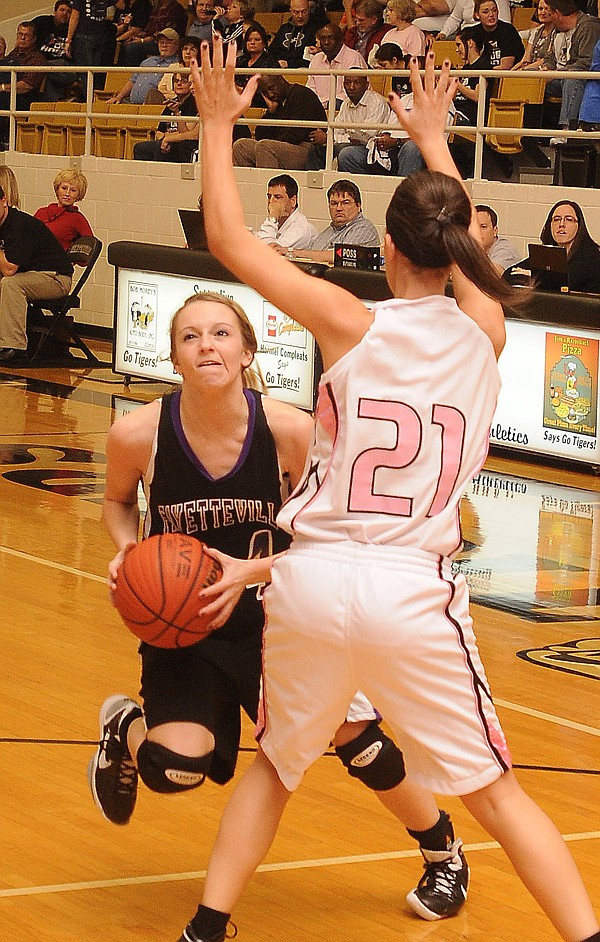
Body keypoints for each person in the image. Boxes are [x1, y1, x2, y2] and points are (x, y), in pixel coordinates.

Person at [179, 39, 600, 942]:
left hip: (312, 579)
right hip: (412, 587)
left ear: (386, 244)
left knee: (275, 769)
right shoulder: (485, 327)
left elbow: (227, 238)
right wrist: (438, 138)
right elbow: (470, 238)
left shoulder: (350, 319)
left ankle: (206, 929)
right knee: (496, 792)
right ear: (456, 243)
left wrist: (218, 125)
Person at [89, 288, 471, 925]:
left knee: (359, 741)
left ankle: (443, 852)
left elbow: (327, 535)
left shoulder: (291, 432)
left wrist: (250, 571)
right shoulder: (137, 433)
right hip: (183, 627)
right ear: (174, 358)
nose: (207, 345)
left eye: (220, 334)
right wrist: (129, 553)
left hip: (277, 618)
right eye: (191, 336)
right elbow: (117, 503)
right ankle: (124, 728)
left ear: (246, 351)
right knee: (176, 771)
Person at [0, 184, 73, 363]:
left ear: (4, 202)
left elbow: (9, 269)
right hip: (32, 275)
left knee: (10, 284)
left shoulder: (19, 225)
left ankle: (15, 347)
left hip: (55, 277)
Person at [232, 74, 327, 169]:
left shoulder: (301, 94)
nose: (270, 94)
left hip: (307, 149)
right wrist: (271, 112)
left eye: (271, 88)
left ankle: (268, 183)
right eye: (265, 92)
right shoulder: (276, 102)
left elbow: (295, 135)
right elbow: (260, 135)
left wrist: (273, 142)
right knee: (241, 146)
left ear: (281, 80)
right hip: (280, 145)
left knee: (265, 147)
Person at [306, 71, 392, 170]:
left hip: (373, 150)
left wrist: (330, 139)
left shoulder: (376, 102)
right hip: (350, 145)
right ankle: (316, 183)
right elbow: (338, 131)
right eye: (348, 83)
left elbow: (366, 138)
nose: (351, 87)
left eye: (356, 82)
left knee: (345, 153)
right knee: (316, 148)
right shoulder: (346, 104)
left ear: (366, 85)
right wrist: (330, 138)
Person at [542, 0, 600, 143]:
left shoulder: (588, 27)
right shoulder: (556, 30)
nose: (548, 17)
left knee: (572, 79)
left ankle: (567, 130)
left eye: (550, 13)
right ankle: (529, 135)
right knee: (531, 83)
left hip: (582, 79)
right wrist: (546, 69)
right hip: (559, 76)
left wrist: (557, 73)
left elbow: (586, 63)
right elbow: (549, 57)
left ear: (558, 14)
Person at [513, 201, 600, 293]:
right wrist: (535, 276)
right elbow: (509, 274)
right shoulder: (550, 252)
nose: (561, 224)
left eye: (569, 219)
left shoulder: (591, 255)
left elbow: (562, 284)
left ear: (579, 226)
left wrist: (532, 275)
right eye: (556, 219)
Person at [288, 179, 380, 264]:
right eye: (334, 203)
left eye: (345, 203)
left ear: (358, 205)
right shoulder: (326, 233)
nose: (339, 208)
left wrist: (293, 252)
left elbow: (341, 256)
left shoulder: (364, 228)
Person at [133, 71, 199, 161]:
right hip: (173, 139)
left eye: (183, 81)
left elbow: (189, 134)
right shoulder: (171, 102)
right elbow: (159, 131)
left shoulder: (194, 103)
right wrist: (176, 113)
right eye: (176, 81)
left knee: (162, 147)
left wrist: (168, 138)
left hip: (185, 142)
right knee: (140, 148)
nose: (179, 84)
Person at [0, 22, 47, 145]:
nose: (23, 38)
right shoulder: (13, 54)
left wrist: (3, 87)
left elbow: (26, 86)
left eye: (27, 35)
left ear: (34, 38)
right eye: (20, 34)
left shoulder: (36, 59)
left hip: (23, 99)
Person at [107, 29, 180, 104]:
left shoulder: (177, 65)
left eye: (169, 43)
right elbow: (132, 81)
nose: (164, 45)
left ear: (177, 45)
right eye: (161, 42)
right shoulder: (148, 61)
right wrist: (119, 97)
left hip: (155, 108)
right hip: (130, 103)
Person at [306, 23, 367, 107]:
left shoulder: (353, 58)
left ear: (341, 40)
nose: (326, 42)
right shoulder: (316, 59)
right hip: (319, 108)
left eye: (331, 38)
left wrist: (328, 104)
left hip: (346, 108)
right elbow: (310, 88)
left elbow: (354, 92)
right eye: (323, 39)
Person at [34, 169, 94, 251]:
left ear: (78, 195)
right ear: (57, 189)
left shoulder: (78, 218)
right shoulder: (41, 212)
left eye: (73, 190)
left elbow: (90, 248)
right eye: (64, 188)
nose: (67, 194)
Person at [255, 173, 317, 251]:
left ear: (293, 201)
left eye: (277, 197)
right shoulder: (279, 221)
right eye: (269, 196)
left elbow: (267, 252)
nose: (271, 201)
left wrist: (272, 217)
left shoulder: (302, 229)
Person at [32, 1, 78, 102]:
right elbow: (26, 33)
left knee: (41, 69)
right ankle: (57, 102)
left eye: (69, 11)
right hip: (44, 65)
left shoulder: (75, 28)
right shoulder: (42, 22)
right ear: (54, 11)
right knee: (43, 74)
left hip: (66, 68)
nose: (65, 14)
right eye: (62, 10)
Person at [118, 0, 187, 66]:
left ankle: (131, 73)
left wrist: (142, 40)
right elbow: (149, 28)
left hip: (164, 41)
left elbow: (167, 32)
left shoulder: (176, 8)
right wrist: (137, 37)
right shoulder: (156, 8)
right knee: (124, 44)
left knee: (132, 48)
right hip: (149, 38)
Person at [268, 0, 327, 69]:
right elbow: (272, 52)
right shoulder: (284, 28)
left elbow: (313, 58)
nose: (300, 16)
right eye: (296, 12)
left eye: (304, 12)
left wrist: (289, 63)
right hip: (280, 69)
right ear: (291, 11)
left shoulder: (318, 29)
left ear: (309, 9)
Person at [469, 0, 524, 69]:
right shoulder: (473, 33)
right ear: (477, 15)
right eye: (485, 12)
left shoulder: (508, 31)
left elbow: (506, 67)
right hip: (483, 75)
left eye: (494, 10)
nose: (491, 14)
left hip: (509, 77)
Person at [475, 204, 520, 273]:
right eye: (475, 227)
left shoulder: (505, 250)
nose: (478, 231)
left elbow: (490, 276)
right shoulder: (471, 248)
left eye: (483, 227)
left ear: (495, 231)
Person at [512, 0, 556, 70]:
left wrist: (524, 69)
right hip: (529, 69)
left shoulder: (557, 32)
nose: (543, 12)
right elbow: (525, 59)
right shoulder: (536, 31)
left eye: (547, 9)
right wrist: (511, 72)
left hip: (545, 71)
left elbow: (546, 60)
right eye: (540, 9)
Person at [436, 0, 510, 39]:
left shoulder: (500, 1)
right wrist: (444, 33)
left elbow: (505, 24)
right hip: (465, 35)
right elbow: (455, 19)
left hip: (488, 33)